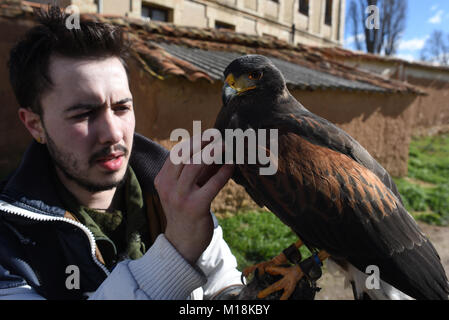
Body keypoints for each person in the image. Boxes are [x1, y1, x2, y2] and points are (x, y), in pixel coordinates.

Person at [0, 5, 243, 300]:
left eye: (122, 107)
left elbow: (222, 281)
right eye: (84, 114)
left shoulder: (170, 189)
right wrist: (177, 254)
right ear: (35, 124)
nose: (113, 133)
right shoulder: (8, 242)